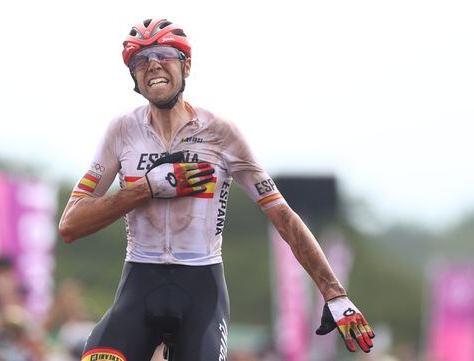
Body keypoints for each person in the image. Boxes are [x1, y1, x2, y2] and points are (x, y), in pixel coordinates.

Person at [59, 18, 375, 361]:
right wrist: (145, 189)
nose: (152, 65)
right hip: (139, 283)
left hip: (200, 290)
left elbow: (282, 214)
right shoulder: (122, 130)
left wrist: (334, 292)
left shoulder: (221, 133)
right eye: (140, 60)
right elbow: (71, 224)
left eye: (164, 54)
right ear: (134, 77)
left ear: (187, 65)